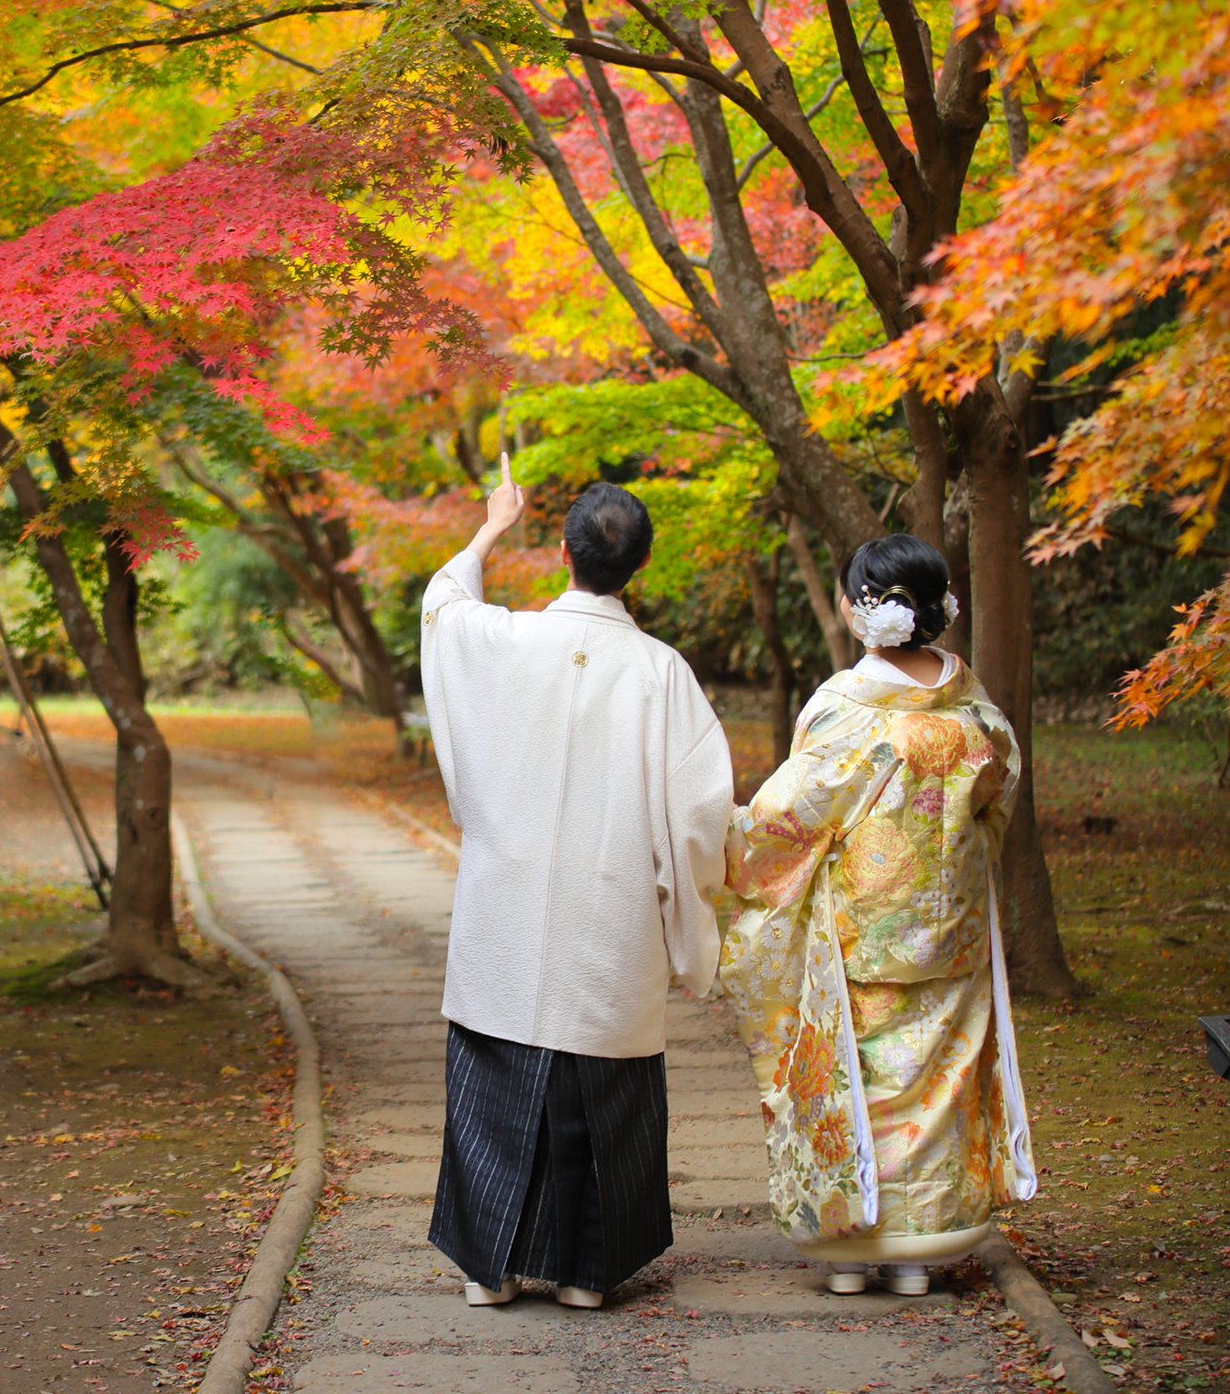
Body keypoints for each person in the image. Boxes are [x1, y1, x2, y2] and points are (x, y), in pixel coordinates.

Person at [421, 459, 734, 1310]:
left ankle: (493, 1268)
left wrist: (492, 525)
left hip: (509, 903)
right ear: (638, 566)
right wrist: (688, 900)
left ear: (563, 552)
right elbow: (702, 808)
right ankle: (587, 1274)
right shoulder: (662, 673)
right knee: (602, 1084)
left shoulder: (505, 640)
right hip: (612, 902)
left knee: (497, 1068)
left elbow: (442, 610)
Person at [718, 533, 1037, 1297]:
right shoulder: (979, 714)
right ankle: (920, 1251)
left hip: (858, 934)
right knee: (935, 1087)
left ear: (863, 611)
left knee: (858, 1083)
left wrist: (723, 841)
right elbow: (996, 809)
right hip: (950, 930)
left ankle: (851, 1251)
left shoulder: (848, 711)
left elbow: (789, 820)